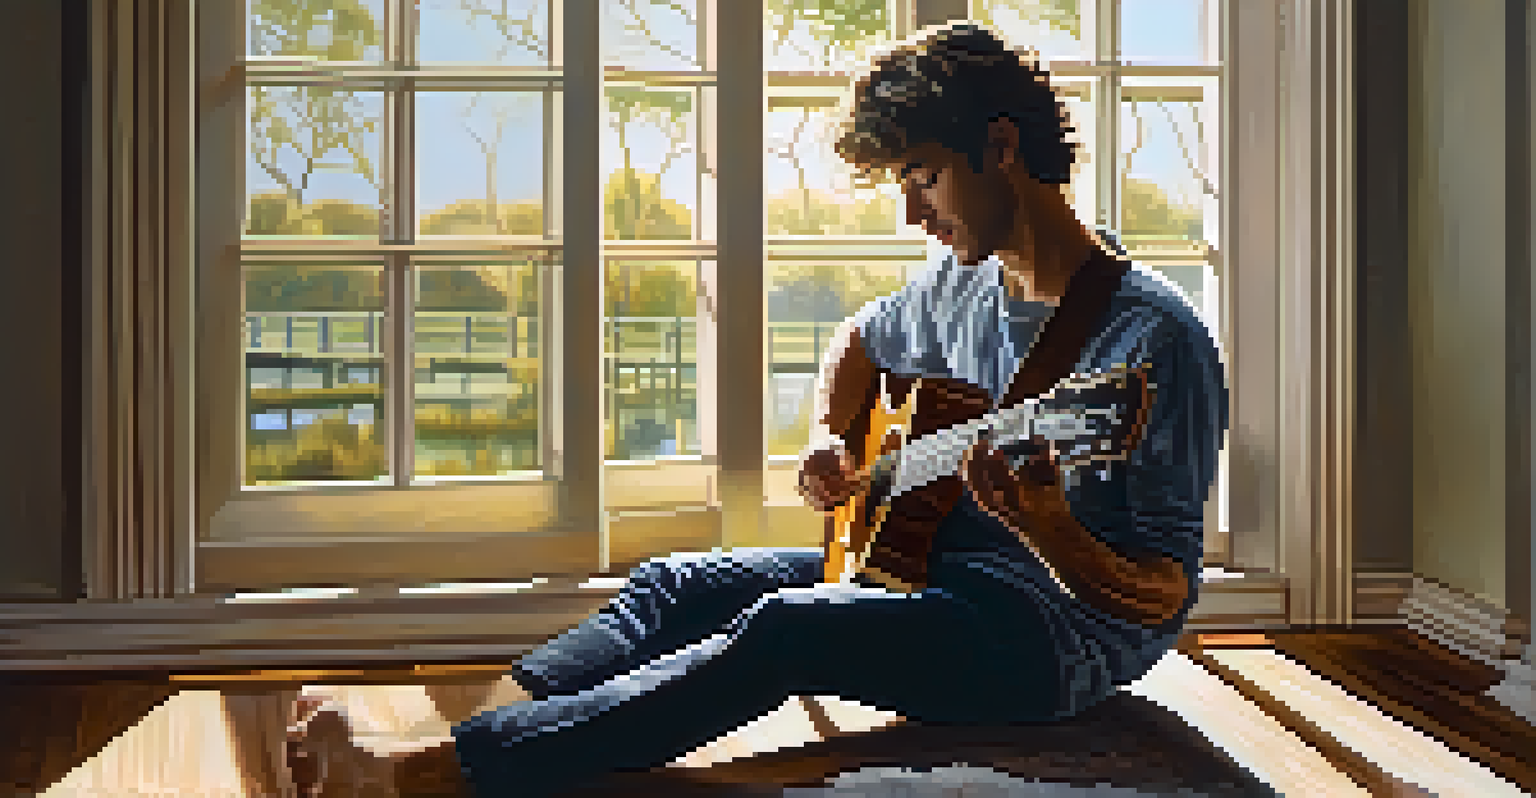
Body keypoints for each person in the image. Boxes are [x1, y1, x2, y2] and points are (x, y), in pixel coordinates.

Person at [286, 22, 1228, 798]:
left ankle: (420, 777)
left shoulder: (1153, 345)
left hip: (1058, 639)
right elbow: (858, 341)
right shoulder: (959, 285)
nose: (914, 215)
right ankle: (485, 726)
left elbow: (1159, 598)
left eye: (924, 179)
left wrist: (1050, 526)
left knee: (788, 628)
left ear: (1002, 146)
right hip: (942, 563)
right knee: (672, 584)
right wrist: (831, 434)